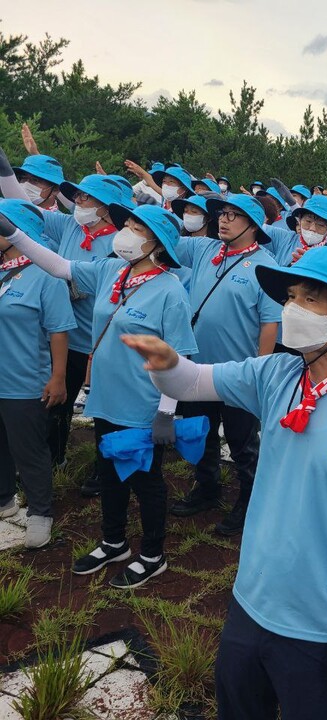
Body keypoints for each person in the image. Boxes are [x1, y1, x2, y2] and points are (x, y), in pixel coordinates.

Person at [128, 246, 327, 719]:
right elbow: (191, 383)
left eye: (310, 298)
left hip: (323, 622)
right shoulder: (276, 374)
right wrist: (167, 363)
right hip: (252, 598)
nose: (292, 309)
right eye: (290, 296)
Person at [1, 201, 197, 589]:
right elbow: (59, 266)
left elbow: (181, 358)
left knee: (146, 480)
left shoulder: (170, 290)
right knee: (109, 474)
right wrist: (13, 233)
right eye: (130, 224)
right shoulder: (112, 271)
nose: (127, 231)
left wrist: (167, 412)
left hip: (143, 403)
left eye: (138, 228)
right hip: (107, 397)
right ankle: (114, 541)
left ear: (156, 243)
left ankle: (153, 554)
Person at [0, 148, 130, 487]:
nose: (80, 202)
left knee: (103, 409)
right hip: (64, 334)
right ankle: (53, 459)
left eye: (88, 197)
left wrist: (80, 284)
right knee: (57, 403)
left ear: (105, 208)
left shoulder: (122, 243)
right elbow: (23, 214)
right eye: (79, 196)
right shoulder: (71, 226)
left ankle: (105, 469)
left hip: (98, 341)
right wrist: (4, 171)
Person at [168, 194, 281, 536]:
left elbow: (269, 325)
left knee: (243, 443)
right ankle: (208, 488)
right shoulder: (205, 250)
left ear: (253, 225)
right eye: (223, 213)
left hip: (238, 374)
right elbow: (168, 241)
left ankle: (249, 502)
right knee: (200, 433)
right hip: (196, 368)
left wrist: (260, 374)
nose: (224, 219)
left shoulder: (266, 265)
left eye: (234, 215)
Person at [0, 199, 77, 548]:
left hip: (25, 381)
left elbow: (59, 330)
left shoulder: (46, 274)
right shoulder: (2, 268)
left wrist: (58, 377)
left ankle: (41, 513)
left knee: (29, 451)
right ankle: (4, 501)